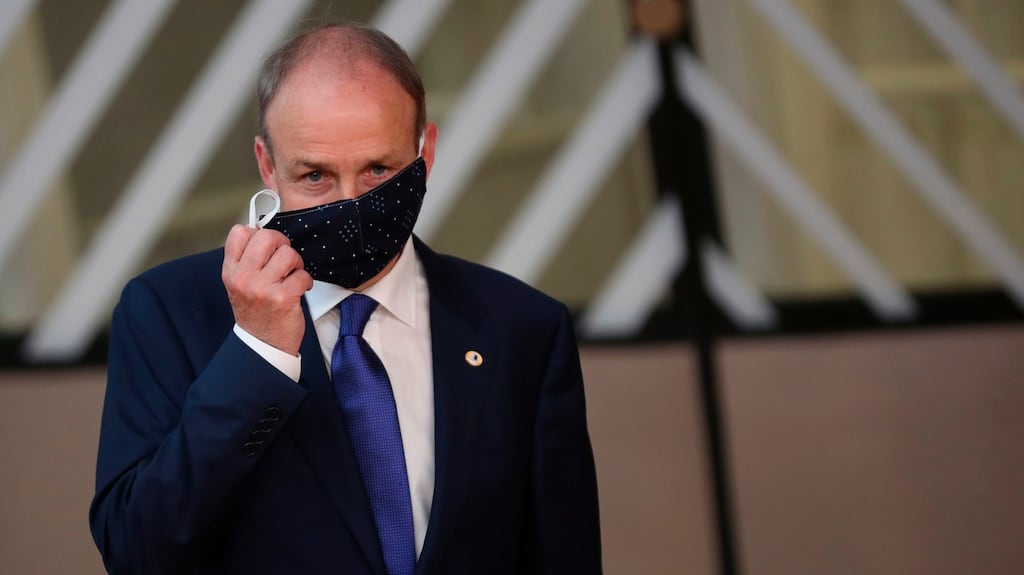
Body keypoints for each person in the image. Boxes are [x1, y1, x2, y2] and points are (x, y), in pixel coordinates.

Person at [89, 21, 601, 575]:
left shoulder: (522, 329)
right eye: (314, 175)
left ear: (425, 151)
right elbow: (136, 551)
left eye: (378, 170)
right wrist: (258, 355)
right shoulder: (167, 313)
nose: (350, 203)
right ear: (267, 165)